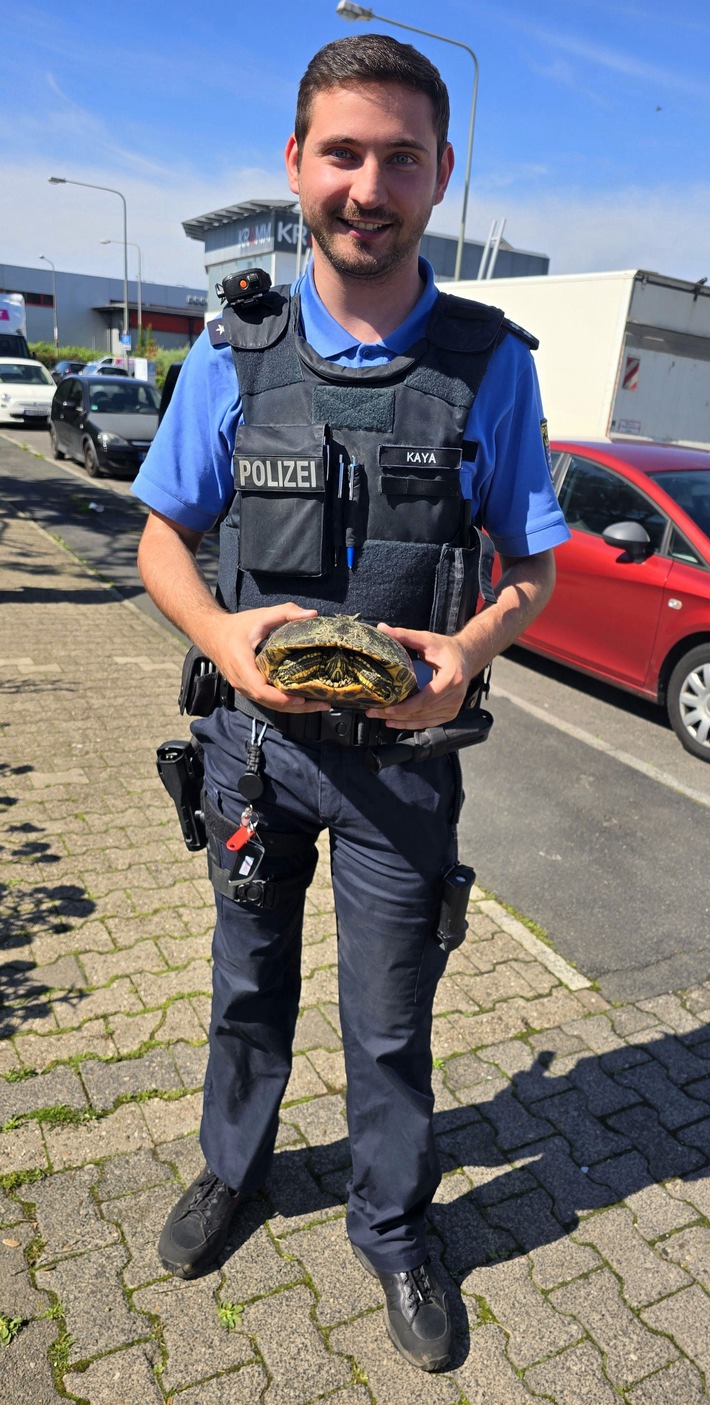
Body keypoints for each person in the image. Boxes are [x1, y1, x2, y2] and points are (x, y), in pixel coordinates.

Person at [133, 33, 570, 1373]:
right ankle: (234, 1168)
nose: (366, 183)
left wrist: (472, 649)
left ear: (440, 172)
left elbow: (534, 566)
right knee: (246, 983)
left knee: (389, 1021)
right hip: (253, 753)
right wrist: (217, 629)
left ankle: (391, 1223)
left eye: (397, 156)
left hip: (401, 768)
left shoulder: (490, 360)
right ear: (296, 165)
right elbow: (160, 535)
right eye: (342, 152)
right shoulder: (233, 346)